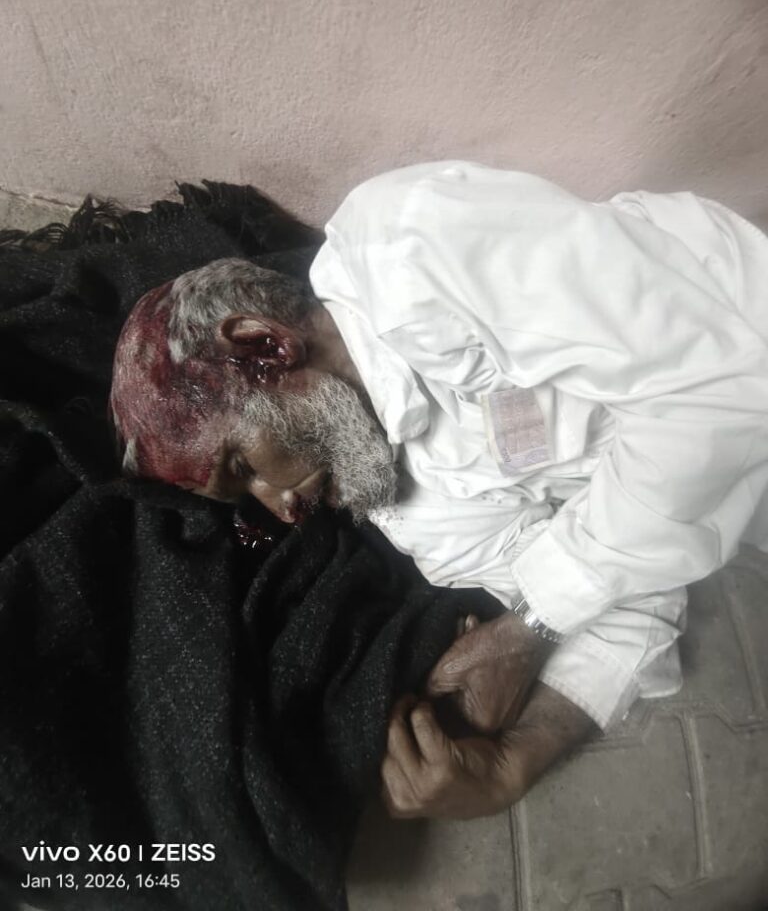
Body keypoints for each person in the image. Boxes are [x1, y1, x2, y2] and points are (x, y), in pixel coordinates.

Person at [110, 161, 768, 818]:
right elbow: (631, 601)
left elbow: (722, 391)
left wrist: (530, 625)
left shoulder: (412, 245)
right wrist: (514, 762)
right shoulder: (413, 517)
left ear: (266, 346)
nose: (282, 507)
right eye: (248, 501)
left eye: (243, 466)